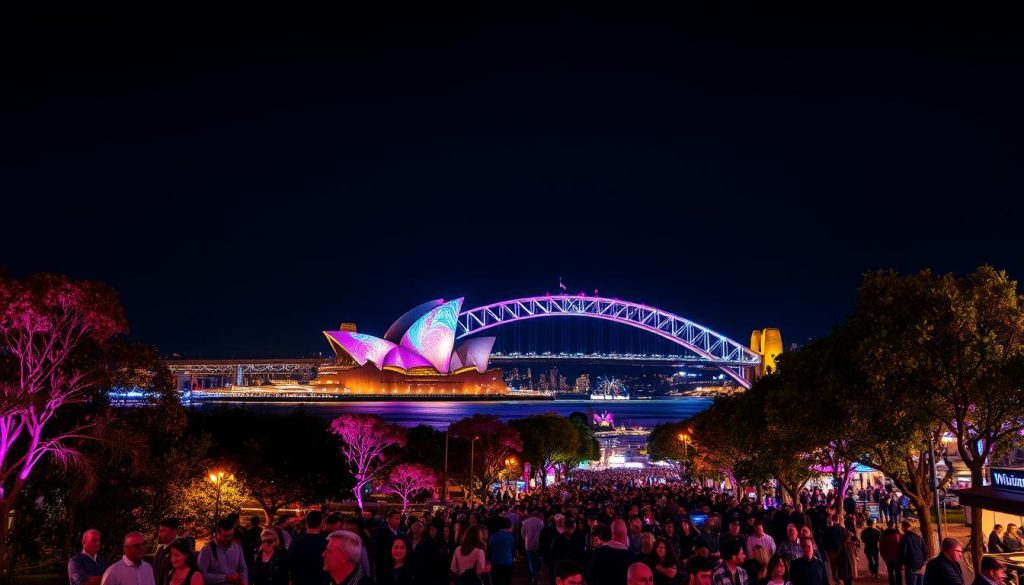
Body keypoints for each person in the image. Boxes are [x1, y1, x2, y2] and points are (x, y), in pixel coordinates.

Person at [199, 517, 249, 585]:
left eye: (231, 535)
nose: (229, 539)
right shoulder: (207, 550)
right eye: (226, 536)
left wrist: (244, 580)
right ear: (218, 534)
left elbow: (243, 568)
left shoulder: (237, 547)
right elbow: (200, 575)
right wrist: (225, 578)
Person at [587, 519, 636, 585]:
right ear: (625, 534)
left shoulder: (599, 552)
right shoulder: (631, 555)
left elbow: (590, 577)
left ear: (612, 533)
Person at [291, 511, 328, 585]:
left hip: (299, 581)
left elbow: (290, 564)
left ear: (306, 523)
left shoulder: (295, 543)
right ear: (321, 523)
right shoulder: (325, 544)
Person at [373, 510, 404, 582]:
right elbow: (377, 550)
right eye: (396, 519)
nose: (398, 521)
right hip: (384, 567)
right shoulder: (380, 531)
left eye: (399, 519)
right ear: (389, 519)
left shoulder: (401, 533)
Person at [154, 519, 182, 585]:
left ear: (173, 531)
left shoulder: (180, 549)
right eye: (160, 531)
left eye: (163, 531)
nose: (160, 534)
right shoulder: (160, 549)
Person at [488, 518, 515, 585]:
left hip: (495, 561)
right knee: (507, 581)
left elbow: (490, 549)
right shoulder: (510, 536)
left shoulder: (493, 536)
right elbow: (512, 549)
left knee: (496, 581)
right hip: (507, 561)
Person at [898, 521, 925, 585]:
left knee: (911, 581)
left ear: (903, 527)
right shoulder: (918, 537)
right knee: (920, 582)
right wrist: (924, 562)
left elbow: (903, 551)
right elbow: (924, 550)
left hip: (910, 564)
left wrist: (901, 563)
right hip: (920, 563)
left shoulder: (904, 538)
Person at [522, 510, 545, 584]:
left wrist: (524, 540)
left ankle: (532, 576)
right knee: (537, 561)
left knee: (530, 561)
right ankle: (536, 575)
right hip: (538, 545)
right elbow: (543, 534)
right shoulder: (540, 523)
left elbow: (523, 533)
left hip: (528, 544)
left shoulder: (525, 522)